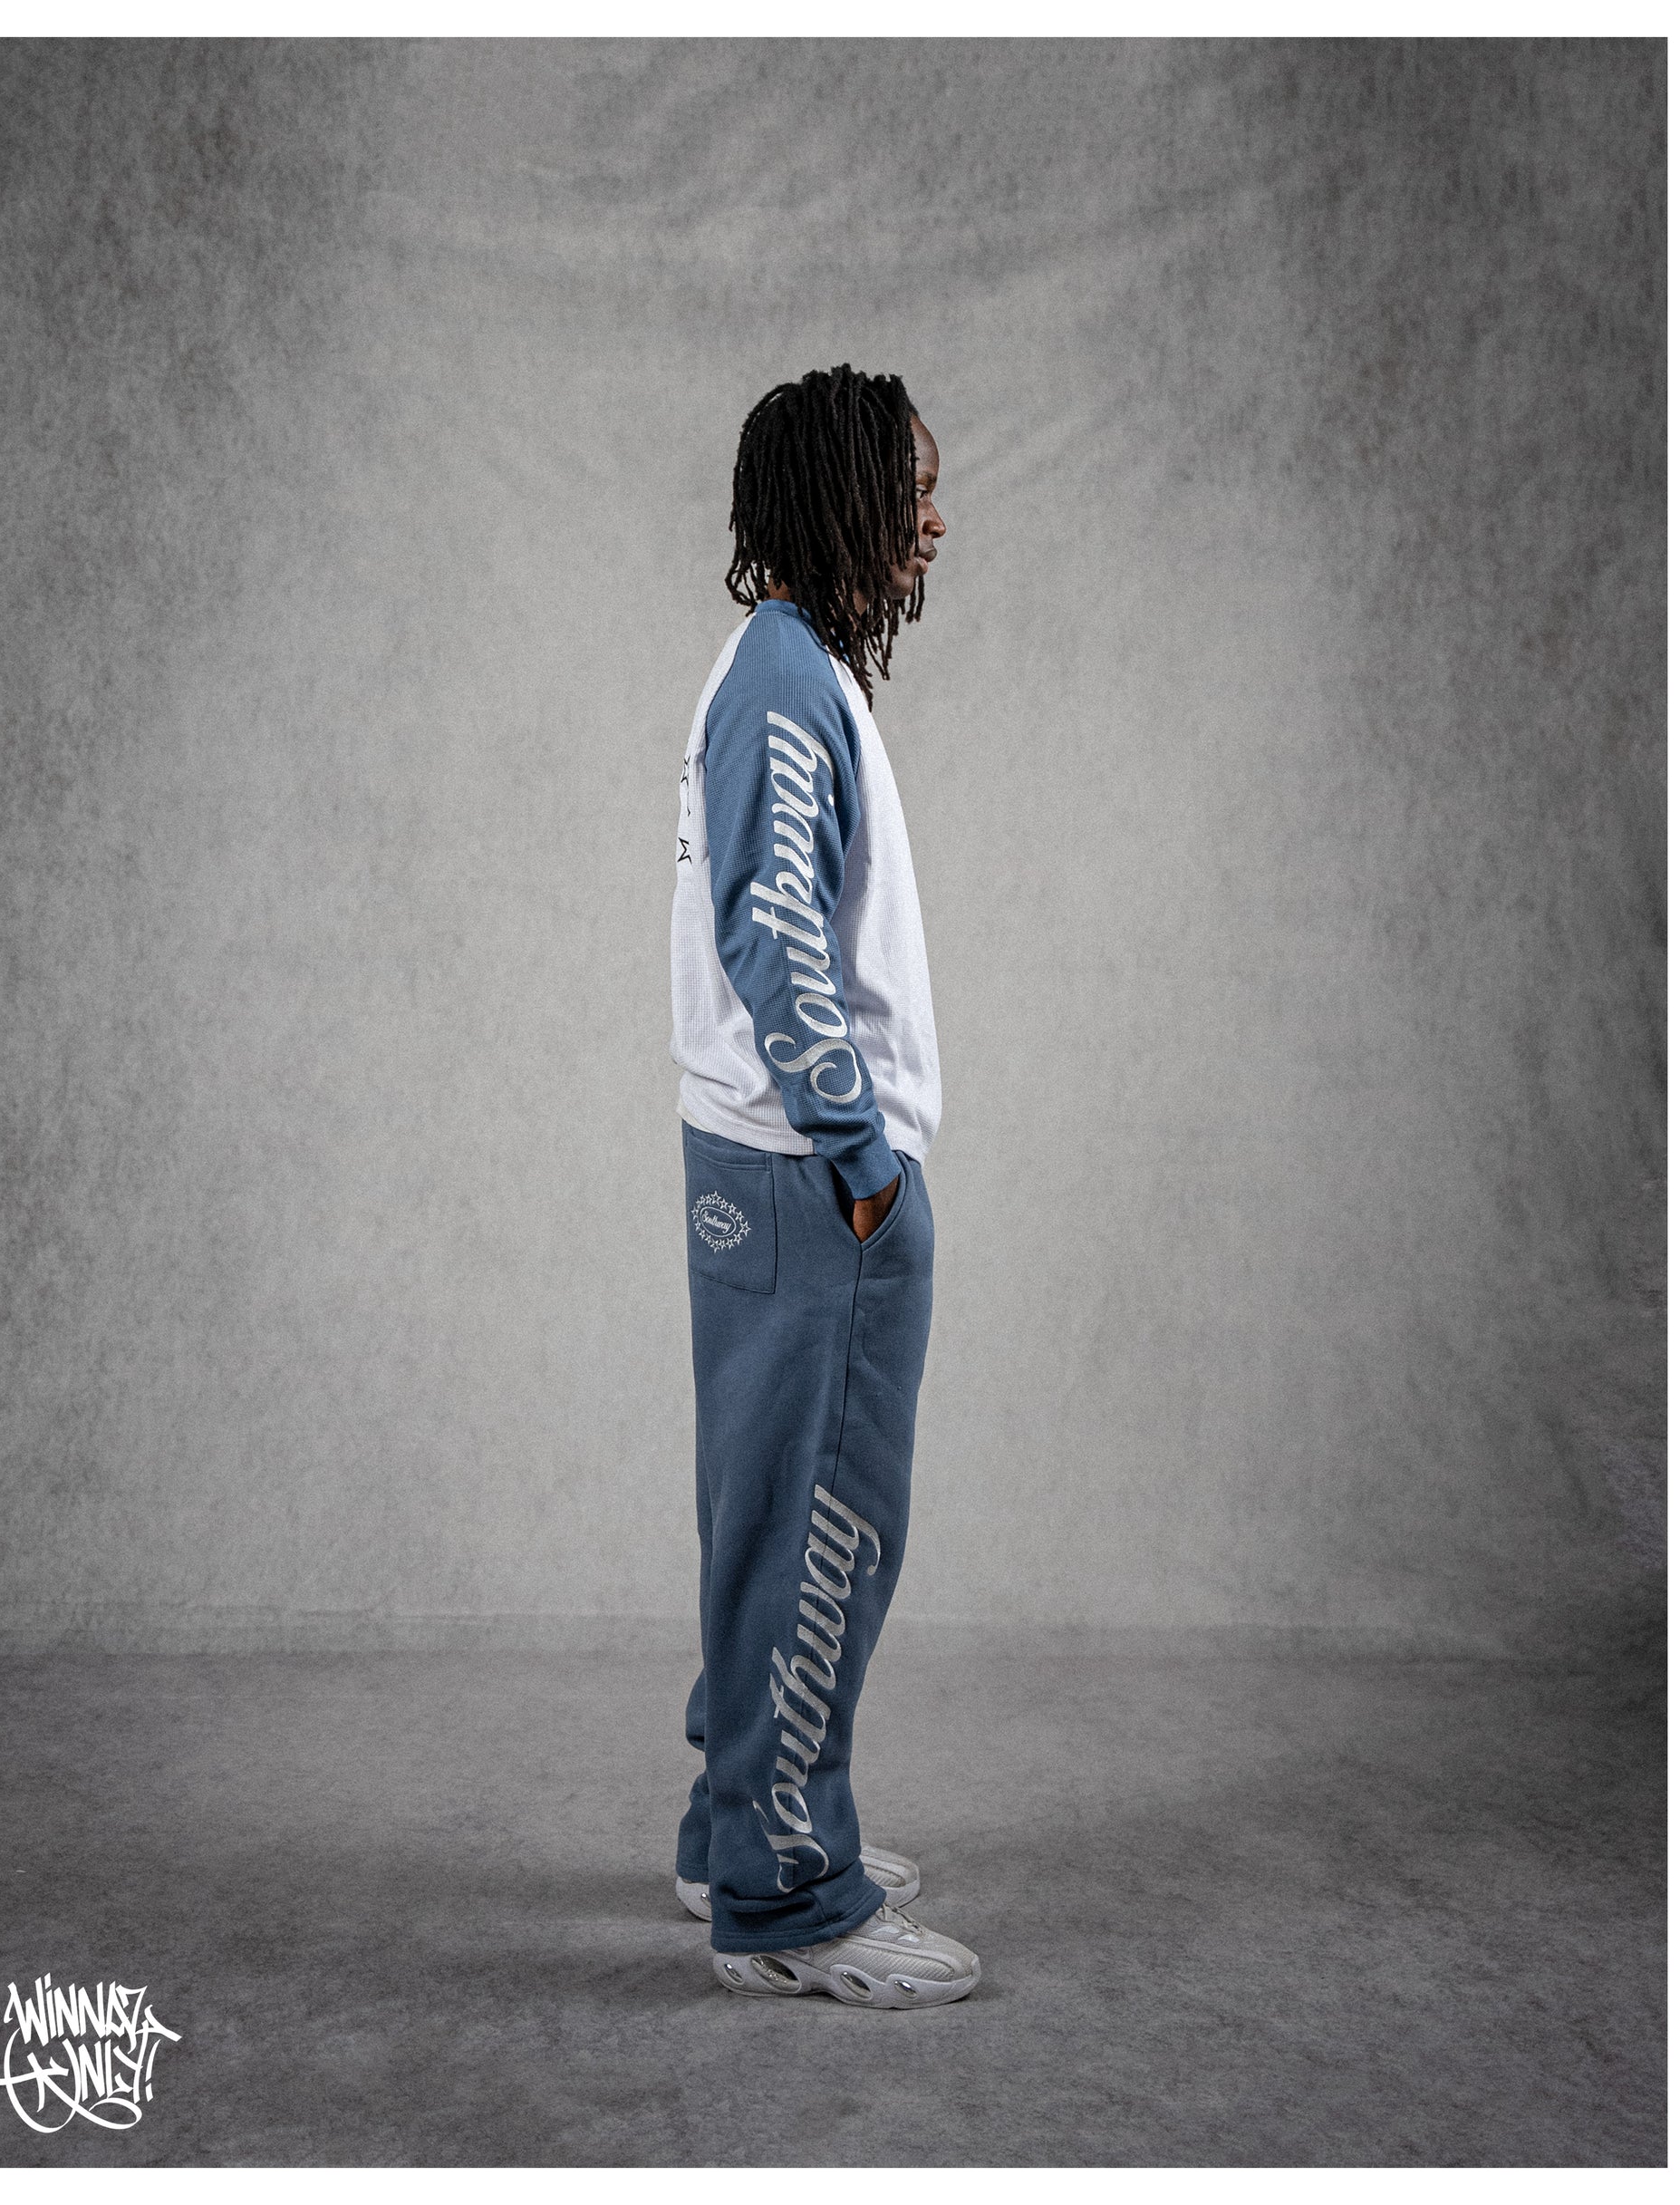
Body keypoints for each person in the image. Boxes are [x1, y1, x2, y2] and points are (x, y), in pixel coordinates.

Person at [667, 363, 978, 2008]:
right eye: (910, 487)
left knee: (761, 1516)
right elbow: (772, 926)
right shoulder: (788, 682)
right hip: (810, 1184)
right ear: (838, 497)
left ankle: (731, 1824)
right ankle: (788, 1892)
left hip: (759, 1172)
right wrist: (863, 1165)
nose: (933, 519)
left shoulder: (777, 670)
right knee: (819, 1530)